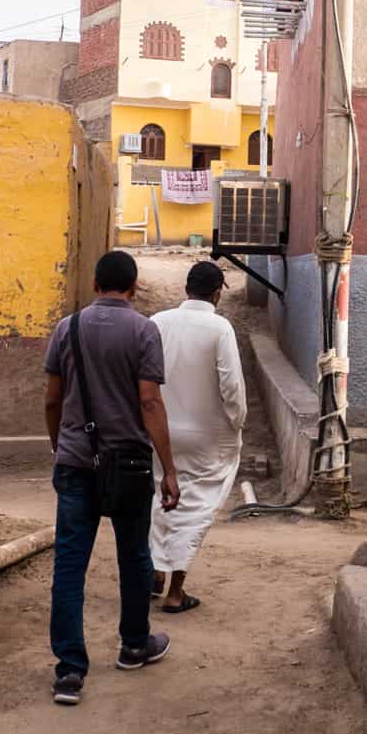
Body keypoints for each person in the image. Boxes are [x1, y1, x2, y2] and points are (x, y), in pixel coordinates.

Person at [42, 250, 181, 706]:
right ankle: (134, 645)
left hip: (77, 463)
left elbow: (52, 399)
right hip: (130, 465)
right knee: (135, 557)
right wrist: (169, 469)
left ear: (96, 284)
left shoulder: (68, 328)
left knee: (69, 566)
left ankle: (69, 672)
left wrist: (59, 447)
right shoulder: (144, 331)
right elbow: (149, 403)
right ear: (133, 287)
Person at [147, 260, 248, 613]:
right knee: (196, 505)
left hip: (161, 431)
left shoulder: (157, 322)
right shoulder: (219, 328)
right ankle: (176, 591)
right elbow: (231, 386)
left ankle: (156, 572)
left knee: (160, 498)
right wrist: (237, 422)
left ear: (186, 288)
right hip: (207, 435)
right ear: (218, 291)